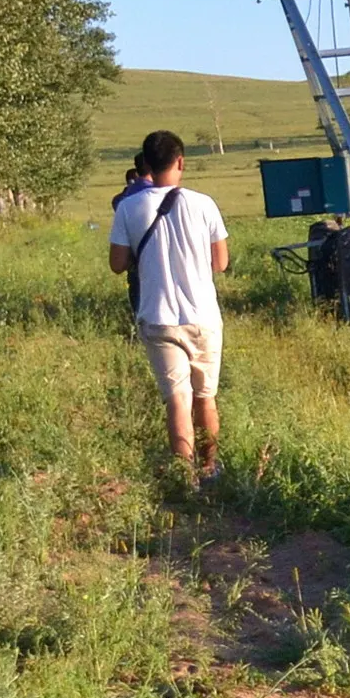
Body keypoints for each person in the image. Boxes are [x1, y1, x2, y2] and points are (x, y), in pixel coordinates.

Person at [108, 131, 231, 476]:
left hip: (158, 317)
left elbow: (117, 264)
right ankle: (209, 467)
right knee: (205, 396)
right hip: (203, 316)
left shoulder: (128, 207)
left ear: (145, 164)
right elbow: (220, 262)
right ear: (180, 162)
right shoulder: (204, 203)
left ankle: (184, 475)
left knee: (178, 398)